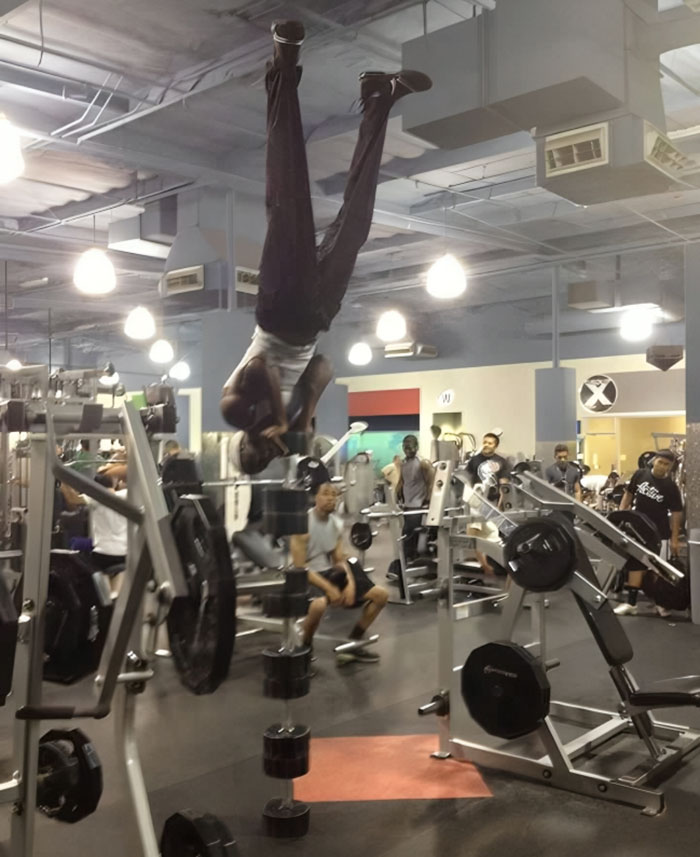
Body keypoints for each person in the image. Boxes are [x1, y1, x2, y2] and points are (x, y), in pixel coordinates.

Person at [220, 21, 432, 475]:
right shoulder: (289, 429)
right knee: (356, 225)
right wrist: (299, 416)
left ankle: (282, 68)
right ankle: (378, 99)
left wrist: (278, 417)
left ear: (242, 445)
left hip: (277, 311)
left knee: (288, 199)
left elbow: (259, 369)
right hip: (316, 316)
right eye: (268, 458)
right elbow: (322, 367)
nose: (269, 450)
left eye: (256, 454)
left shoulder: (235, 412)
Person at [291, 482, 388, 665]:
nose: (331, 498)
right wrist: (329, 589)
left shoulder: (335, 523)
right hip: (306, 575)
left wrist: (350, 583)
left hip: (329, 572)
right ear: (315, 498)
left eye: (334, 495)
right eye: (326, 494)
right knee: (318, 605)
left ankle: (353, 644)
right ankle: (305, 647)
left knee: (381, 596)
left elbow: (338, 559)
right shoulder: (302, 524)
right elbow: (300, 567)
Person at [614, 449, 683, 617]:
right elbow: (628, 495)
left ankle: (660, 603)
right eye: (660, 462)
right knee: (635, 564)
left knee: (658, 570)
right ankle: (631, 603)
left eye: (666, 464)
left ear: (671, 466)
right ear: (654, 461)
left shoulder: (671, 488)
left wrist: (674, 539)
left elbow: (676, 514)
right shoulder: (640, 475)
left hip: (660, 534)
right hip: (638, 530)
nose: (662, 467)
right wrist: (621, 515)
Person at [466, 432, 510, 575]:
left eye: (490, 443)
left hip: (492, 502)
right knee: (474, 534)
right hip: (476, 501)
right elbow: (466, 480)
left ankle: (498, 565)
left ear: (495, 446)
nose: (486, 445)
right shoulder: (474, 460)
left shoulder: (501, 461)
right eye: (485, 442)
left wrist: (500, 505)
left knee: (493, 535)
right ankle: (485, 566)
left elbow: (504, 486)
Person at [82, 472, 128, 595]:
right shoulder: (127, 496)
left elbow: (72, 500)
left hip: (102, 555)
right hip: (124, 555)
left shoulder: (94, 498)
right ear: (115, 482)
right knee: (117, 596)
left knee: (103, 598)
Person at [396, 435, 435, 562]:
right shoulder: (404, 463)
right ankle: (409, 560)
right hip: (408, 505)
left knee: (409, 534)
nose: (407, 448)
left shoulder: (423, 463)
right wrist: (397, 495)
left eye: (410, 445)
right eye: (405, 445)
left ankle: (412, 560)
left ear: (416, 447)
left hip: (418, 505)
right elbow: (402, 481)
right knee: (408, 534)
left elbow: (432, 482)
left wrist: (428, 501)